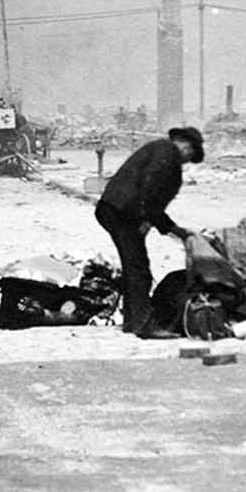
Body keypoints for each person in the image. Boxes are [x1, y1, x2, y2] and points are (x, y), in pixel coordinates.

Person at [95, 126, 204, 338]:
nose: (188, 158)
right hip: (122, 213)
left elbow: (150, 195)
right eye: (190, 151)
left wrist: (161, 224)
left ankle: (132, 321)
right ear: (183, 143)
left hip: (116, 209)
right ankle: (143, 325)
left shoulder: (161, 150)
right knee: (139, 269)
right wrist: (164, 225)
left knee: (132, 266)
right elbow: (150, 191)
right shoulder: (167, 153)